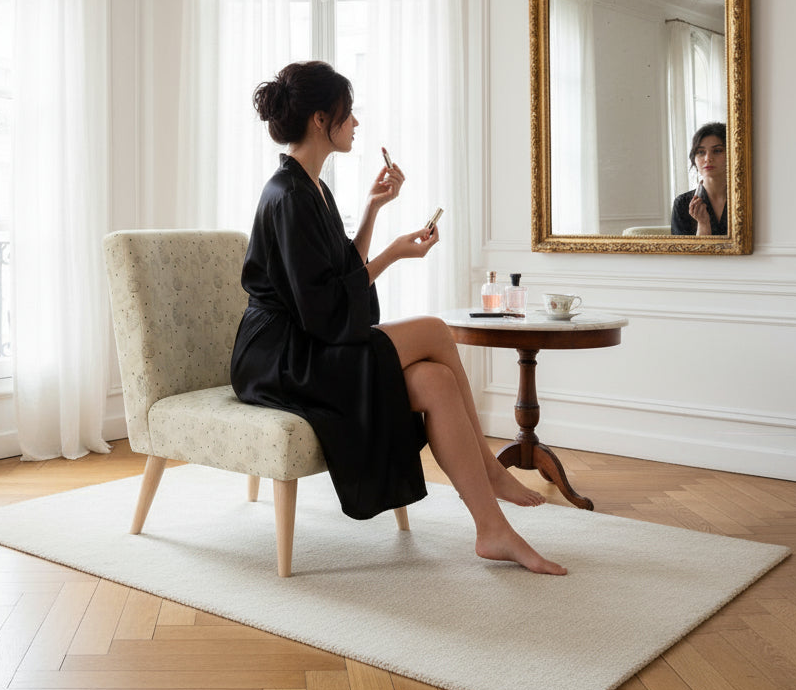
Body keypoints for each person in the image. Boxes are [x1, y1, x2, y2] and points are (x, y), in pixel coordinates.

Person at [230, 61, 567, 575]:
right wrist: (390, 255)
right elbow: (322, 308)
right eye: (349, 114)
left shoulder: (312, 187)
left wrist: (372, 209)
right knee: (432, 329)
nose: (356, 124)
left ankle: (491, 529)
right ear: (322, 120)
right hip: (279, 355)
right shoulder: (287, 195)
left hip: (305, 341)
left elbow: (341, 271)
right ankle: (490, 473)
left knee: (433, 380)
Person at [670, 122, 728, 236]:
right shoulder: (682, 204)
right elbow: (685, 253)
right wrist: (703, 224)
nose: (708, 158)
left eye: (717, 151)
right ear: (694, 159)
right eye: (701, 152)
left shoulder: (746, 201)